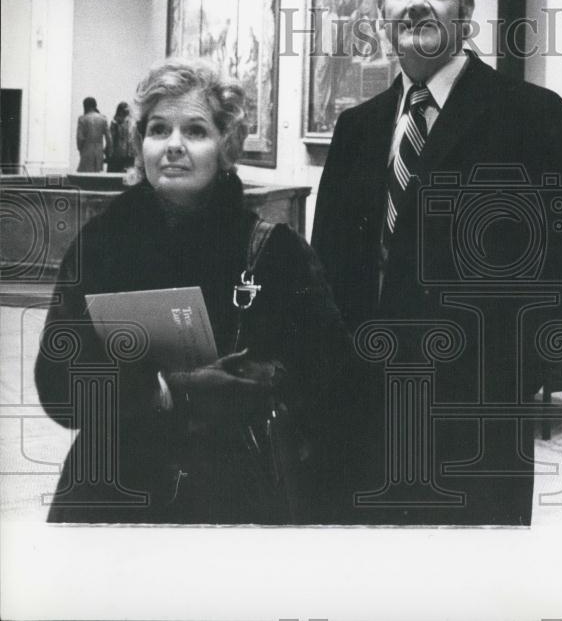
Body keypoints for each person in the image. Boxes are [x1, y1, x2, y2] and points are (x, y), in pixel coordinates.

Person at [311, 0, 562, 525]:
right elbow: (328, 271)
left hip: (476, 418)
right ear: (380, 12)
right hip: (362, 410)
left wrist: (512, 383)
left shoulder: (531, 115)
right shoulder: (357, 129)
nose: (416, 4)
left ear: (465, 10)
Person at [35, 59, 350, 524]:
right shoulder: (102, 244)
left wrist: (270, 379)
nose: (174, 146)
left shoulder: (275, 252)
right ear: (140, 142)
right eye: (158, 129)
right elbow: (57, 385)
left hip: (237, 495)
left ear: (227, 146)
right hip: (112, 492)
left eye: (196, 131)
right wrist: (164, 388)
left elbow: (336, 379)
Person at [76, 96, 109, 172]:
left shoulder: (82, 119)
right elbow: (109, 139)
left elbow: (80, 138)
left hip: (86, 152)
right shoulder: (103, 118)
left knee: (85, 178)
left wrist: (80, 150)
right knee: (97, 178)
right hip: (99, 152)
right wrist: (106, 151)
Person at [106, 101, 136, 172]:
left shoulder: (127, 122)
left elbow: (111, 139)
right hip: (123, 154)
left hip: (121, 153)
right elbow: (111, 138)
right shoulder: (117, 122)